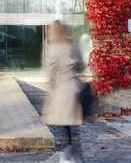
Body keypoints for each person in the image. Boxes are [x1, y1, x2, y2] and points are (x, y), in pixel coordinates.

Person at [43, 20, 86, 162]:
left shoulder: (52, 48)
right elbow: (81, 66)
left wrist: (51, 84)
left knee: (62, 122)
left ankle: (69, 153)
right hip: (74, 86)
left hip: (61, 89)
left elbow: (50, 71)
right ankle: (75, 153)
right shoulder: (74, 45)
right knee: (73, 123)